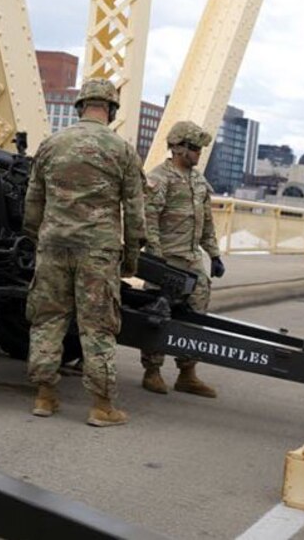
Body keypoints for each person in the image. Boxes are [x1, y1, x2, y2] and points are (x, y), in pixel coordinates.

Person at [23, 79, 146, 427]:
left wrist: (38, 239)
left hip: (54, 246)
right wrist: (131, 260)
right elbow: (135, 214)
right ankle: (101, 406)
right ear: (110, 110)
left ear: (80, 107)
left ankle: (45, 397)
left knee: (48, 319)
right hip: (98, 251)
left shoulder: (51, 145)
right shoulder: (121, 150)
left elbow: (33, 204)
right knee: (98, 327)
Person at [140, 120, 225, 398]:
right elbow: (149, 220)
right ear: (178, 148)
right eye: (194, 148)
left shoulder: (198, 181)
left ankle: (187, 373)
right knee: (158, 316)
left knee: (195, 319)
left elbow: (207, 222)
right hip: (167, 261)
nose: (199, 153)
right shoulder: (159, 178)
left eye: (200, 149)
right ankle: (152, 371)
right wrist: (155, 260)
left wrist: (214, 255)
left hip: (192, 263)